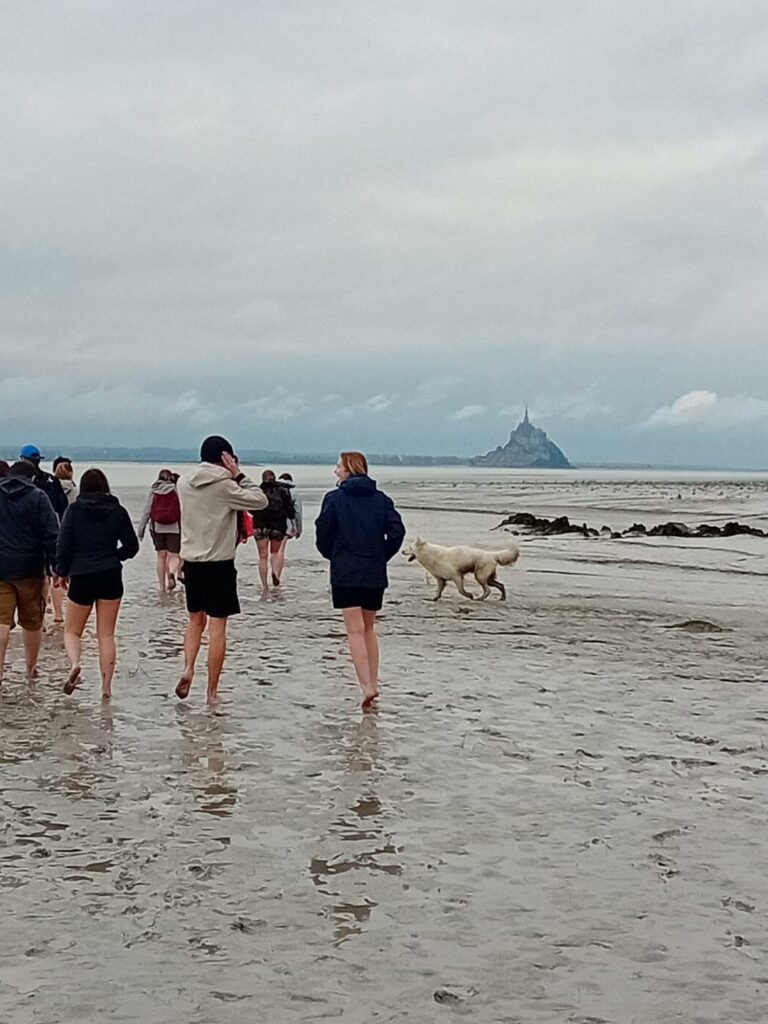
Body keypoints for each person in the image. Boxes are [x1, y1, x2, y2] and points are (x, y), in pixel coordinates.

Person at [176, 435, 267, 703]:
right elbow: (260, 500)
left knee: (194, 620)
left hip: (192, 562)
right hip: (220, 564)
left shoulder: (183, 482)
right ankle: (212, 691)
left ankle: (188, 668)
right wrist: (238, 474)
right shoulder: (226, 486)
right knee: (217, 628)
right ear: (226, 457)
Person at [315, 451, 405, 708]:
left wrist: (333, 555)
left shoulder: (334, 498)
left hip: (345, 572)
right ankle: (373, 683)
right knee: (368, 629)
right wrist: (381, 555)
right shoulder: (381, 499)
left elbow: (323, 532)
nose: (335, 471)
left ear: (349, 469)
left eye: (338, 467)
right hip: (373, 572)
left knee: (354, 630)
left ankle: (365, 686)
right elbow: (397, 531)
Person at [56, 468, 139, 699]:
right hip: (110, 575)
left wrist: (62, 571)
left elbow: (63, 545)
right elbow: (132, 545)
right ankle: (106, 688)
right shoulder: (118, 511)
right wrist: (114, 557)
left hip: (82, 574)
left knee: (72, 630)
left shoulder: (73, 511)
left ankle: (74, 664)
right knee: (106, 634)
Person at [0, 461, 60, 680]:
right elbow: (51, 535)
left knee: (1, 621)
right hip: (31, 569)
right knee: (32, 622)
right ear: (33, 478)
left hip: (1, 568)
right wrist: (56, 567)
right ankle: (31, 668)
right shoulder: (38, 497)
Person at [251, 469, 296, 591]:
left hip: (260, 526)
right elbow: (290, 510)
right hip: (278, 526)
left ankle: (264, 585)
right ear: (275, 478)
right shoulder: (283, 491)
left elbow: (251, 509)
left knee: (262, 557)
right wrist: (293, 523)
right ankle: (275, 573)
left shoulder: (257, 491)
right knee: (275, 553)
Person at [138, 469, 182, 591]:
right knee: (173, 555)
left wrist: (141, 530)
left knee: (161, 556)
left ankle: (162, 587)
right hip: (174, 527)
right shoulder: (175, 489)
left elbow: (147, 511)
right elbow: (183, 509)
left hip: (157, 527)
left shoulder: (154, 490)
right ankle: (172, 573)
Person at [50, 458, 77, 621]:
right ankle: (73, 609)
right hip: (71, 535)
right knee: (73, 573)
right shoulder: (74, 490)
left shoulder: (50, 489)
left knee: (56, 572)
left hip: (54, 532)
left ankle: (58, 613)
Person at [19, 444, 68, 520]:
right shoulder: (52, 480)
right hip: (49, 523)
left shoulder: (15, 482)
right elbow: (63, 506)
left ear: (22, 458)